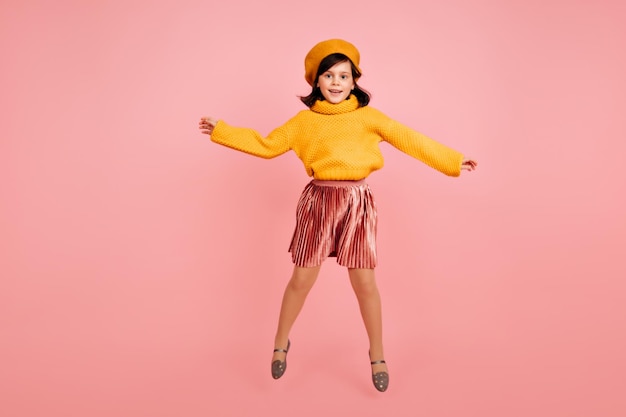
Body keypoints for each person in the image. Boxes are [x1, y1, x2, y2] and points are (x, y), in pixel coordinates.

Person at [199, 39, 477, 392]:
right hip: (319, 202)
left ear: (354, 81)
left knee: (365, 283)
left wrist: (453, 161)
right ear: (315, 81)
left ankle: (377, 355)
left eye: (343, 76)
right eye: (328, 75)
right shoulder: (304, 122)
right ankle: (281, 343)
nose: (335, 82)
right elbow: (266, 145)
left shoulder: (369, 118)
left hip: (357, 204)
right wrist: (222, 131)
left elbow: (411, 139)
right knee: (302, 279)